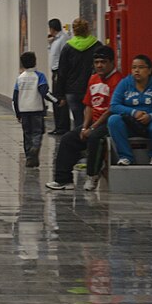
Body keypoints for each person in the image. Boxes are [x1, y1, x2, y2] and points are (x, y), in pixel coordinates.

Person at [46, 46, 122, 191]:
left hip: (110, 122)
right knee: (68, 139)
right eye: (97, 62)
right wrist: (84, 127)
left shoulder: (118, 81)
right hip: (93, 122)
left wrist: (92, 129)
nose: (99, 65)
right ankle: (63, 180)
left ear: (112, 63)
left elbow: (111, 110)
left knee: (94, 138)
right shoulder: (93, 79)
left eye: (103, 62)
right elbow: (89, 105)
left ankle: (92, 175)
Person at [108, 54, 152, 166]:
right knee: (113, 120)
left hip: (151, 123)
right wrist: (133, 112)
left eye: (141, 67)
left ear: (149, 70)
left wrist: (151, 116)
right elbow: (114, 105)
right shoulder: (125, 83)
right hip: (130, 123)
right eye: (134, 67)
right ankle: (125, 157)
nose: (137, 70)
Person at [12, 51, 56, 167]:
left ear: (22, 64)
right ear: (35, 62)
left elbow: (15, 98)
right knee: (37, 132)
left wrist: (17, 113)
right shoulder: (39, 76)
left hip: (24, 110)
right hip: (37, 109)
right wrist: (56, 101)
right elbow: (44, 92)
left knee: (27, 134)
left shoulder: (19, 78)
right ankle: (35, 147)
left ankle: (29, 158)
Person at [57, 17, 99, 131]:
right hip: (93, 88)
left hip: (72, 90)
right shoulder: (97, 45)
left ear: (74, 31)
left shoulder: (68, 47)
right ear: (87, 29)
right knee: (94, 118)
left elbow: (62, 72)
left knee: (78, 120)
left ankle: (79, 143)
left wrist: (60, 94)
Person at [47, 18, 71, 134]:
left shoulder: (63, 39)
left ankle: (63, 127)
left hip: (59, 72)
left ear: (52, 28)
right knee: (56, 99)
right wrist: (49, 44)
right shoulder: (55, 40)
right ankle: (58, 126)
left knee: (60, 100)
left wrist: (62, 74)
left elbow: (65, 56)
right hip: (54, 72)